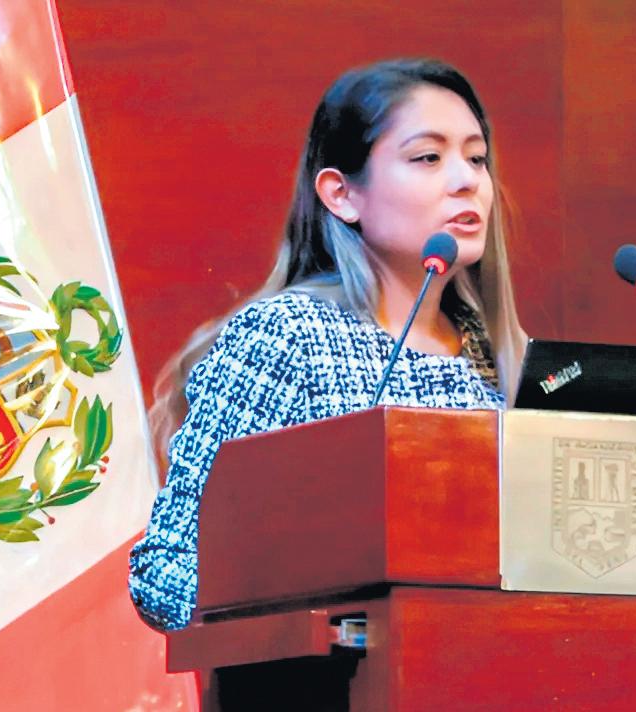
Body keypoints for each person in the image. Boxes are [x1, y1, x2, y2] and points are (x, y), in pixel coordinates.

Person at [130, 58, 527, 631]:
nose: (466, 180)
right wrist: (320, 625)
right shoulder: (288, 338)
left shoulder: (502, 360)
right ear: (341, 195)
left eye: (476, 158)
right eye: (428, 157)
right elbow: (167, 571)